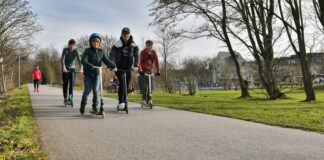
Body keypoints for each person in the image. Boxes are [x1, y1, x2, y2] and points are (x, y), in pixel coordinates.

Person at [80, 33, 117, 115]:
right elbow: (83, 60)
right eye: (93, 42)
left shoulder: (101, 52)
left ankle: (95, 107)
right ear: (91, 42)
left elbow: (107, 60)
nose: (95, 43)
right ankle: (83, 104)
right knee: (87, 90)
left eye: (97, 42)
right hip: (88, 74)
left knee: (96, 90)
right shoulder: (87, 51)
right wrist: (88, 64)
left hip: (97, 74)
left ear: (99, 42)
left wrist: (113, 65)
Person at [109, 27, 139, 110]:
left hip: (128, 68)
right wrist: (113, 65)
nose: (126, 35)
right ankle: (121, 102)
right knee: (122, 83)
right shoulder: (117, 44)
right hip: (118, 68)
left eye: (127, 34)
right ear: (122, 34)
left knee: (127, 85)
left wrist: (136, 65)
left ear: (129, 34)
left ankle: (125, 101)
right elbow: (112, 56)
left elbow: (136, 55)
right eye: (124, 34)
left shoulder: (133, 44)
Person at [61, 39, 83, 105]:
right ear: (68, 45)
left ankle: (70, 97)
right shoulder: (65, 50)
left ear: (75, 46)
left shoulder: (76, 51)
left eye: (73, 45)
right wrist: (64, 67)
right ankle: (65, 98)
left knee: (72, 84)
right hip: (66, 68)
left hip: (72, 69)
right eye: (70, 45)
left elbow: (79, 60)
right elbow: (62, 59)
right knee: (65, 84)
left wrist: (81, 68)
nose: (71, 46)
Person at [138, 40, 160, 106]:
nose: (150, 47)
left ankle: (149, 100)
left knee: (151, 87)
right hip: (143, 72)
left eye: (151, 46)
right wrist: (140, 70)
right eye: (148, 46)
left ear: (152, 46)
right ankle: (144, 100)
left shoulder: (154, 52)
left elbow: (156, 62)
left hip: (150, 72)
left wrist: (158, 71)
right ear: (146, 46)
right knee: (144, 87)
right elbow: (140, 62)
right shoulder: (142, 52)